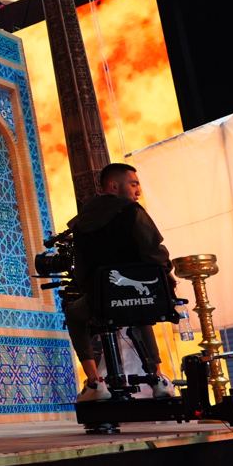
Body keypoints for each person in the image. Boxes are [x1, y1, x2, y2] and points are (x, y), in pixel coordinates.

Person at [64, 163, 177, 401]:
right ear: (114, 186)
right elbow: (155, 252)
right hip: (140, 297)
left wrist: (94, 292)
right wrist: (167, 279)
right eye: (133, 184)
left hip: (102, 301)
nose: (138, 191)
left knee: (74, 313)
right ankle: (157, 378)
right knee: (141, 309)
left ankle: (94, 382)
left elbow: (81, 267)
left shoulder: (82, 222)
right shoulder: (133, 212)